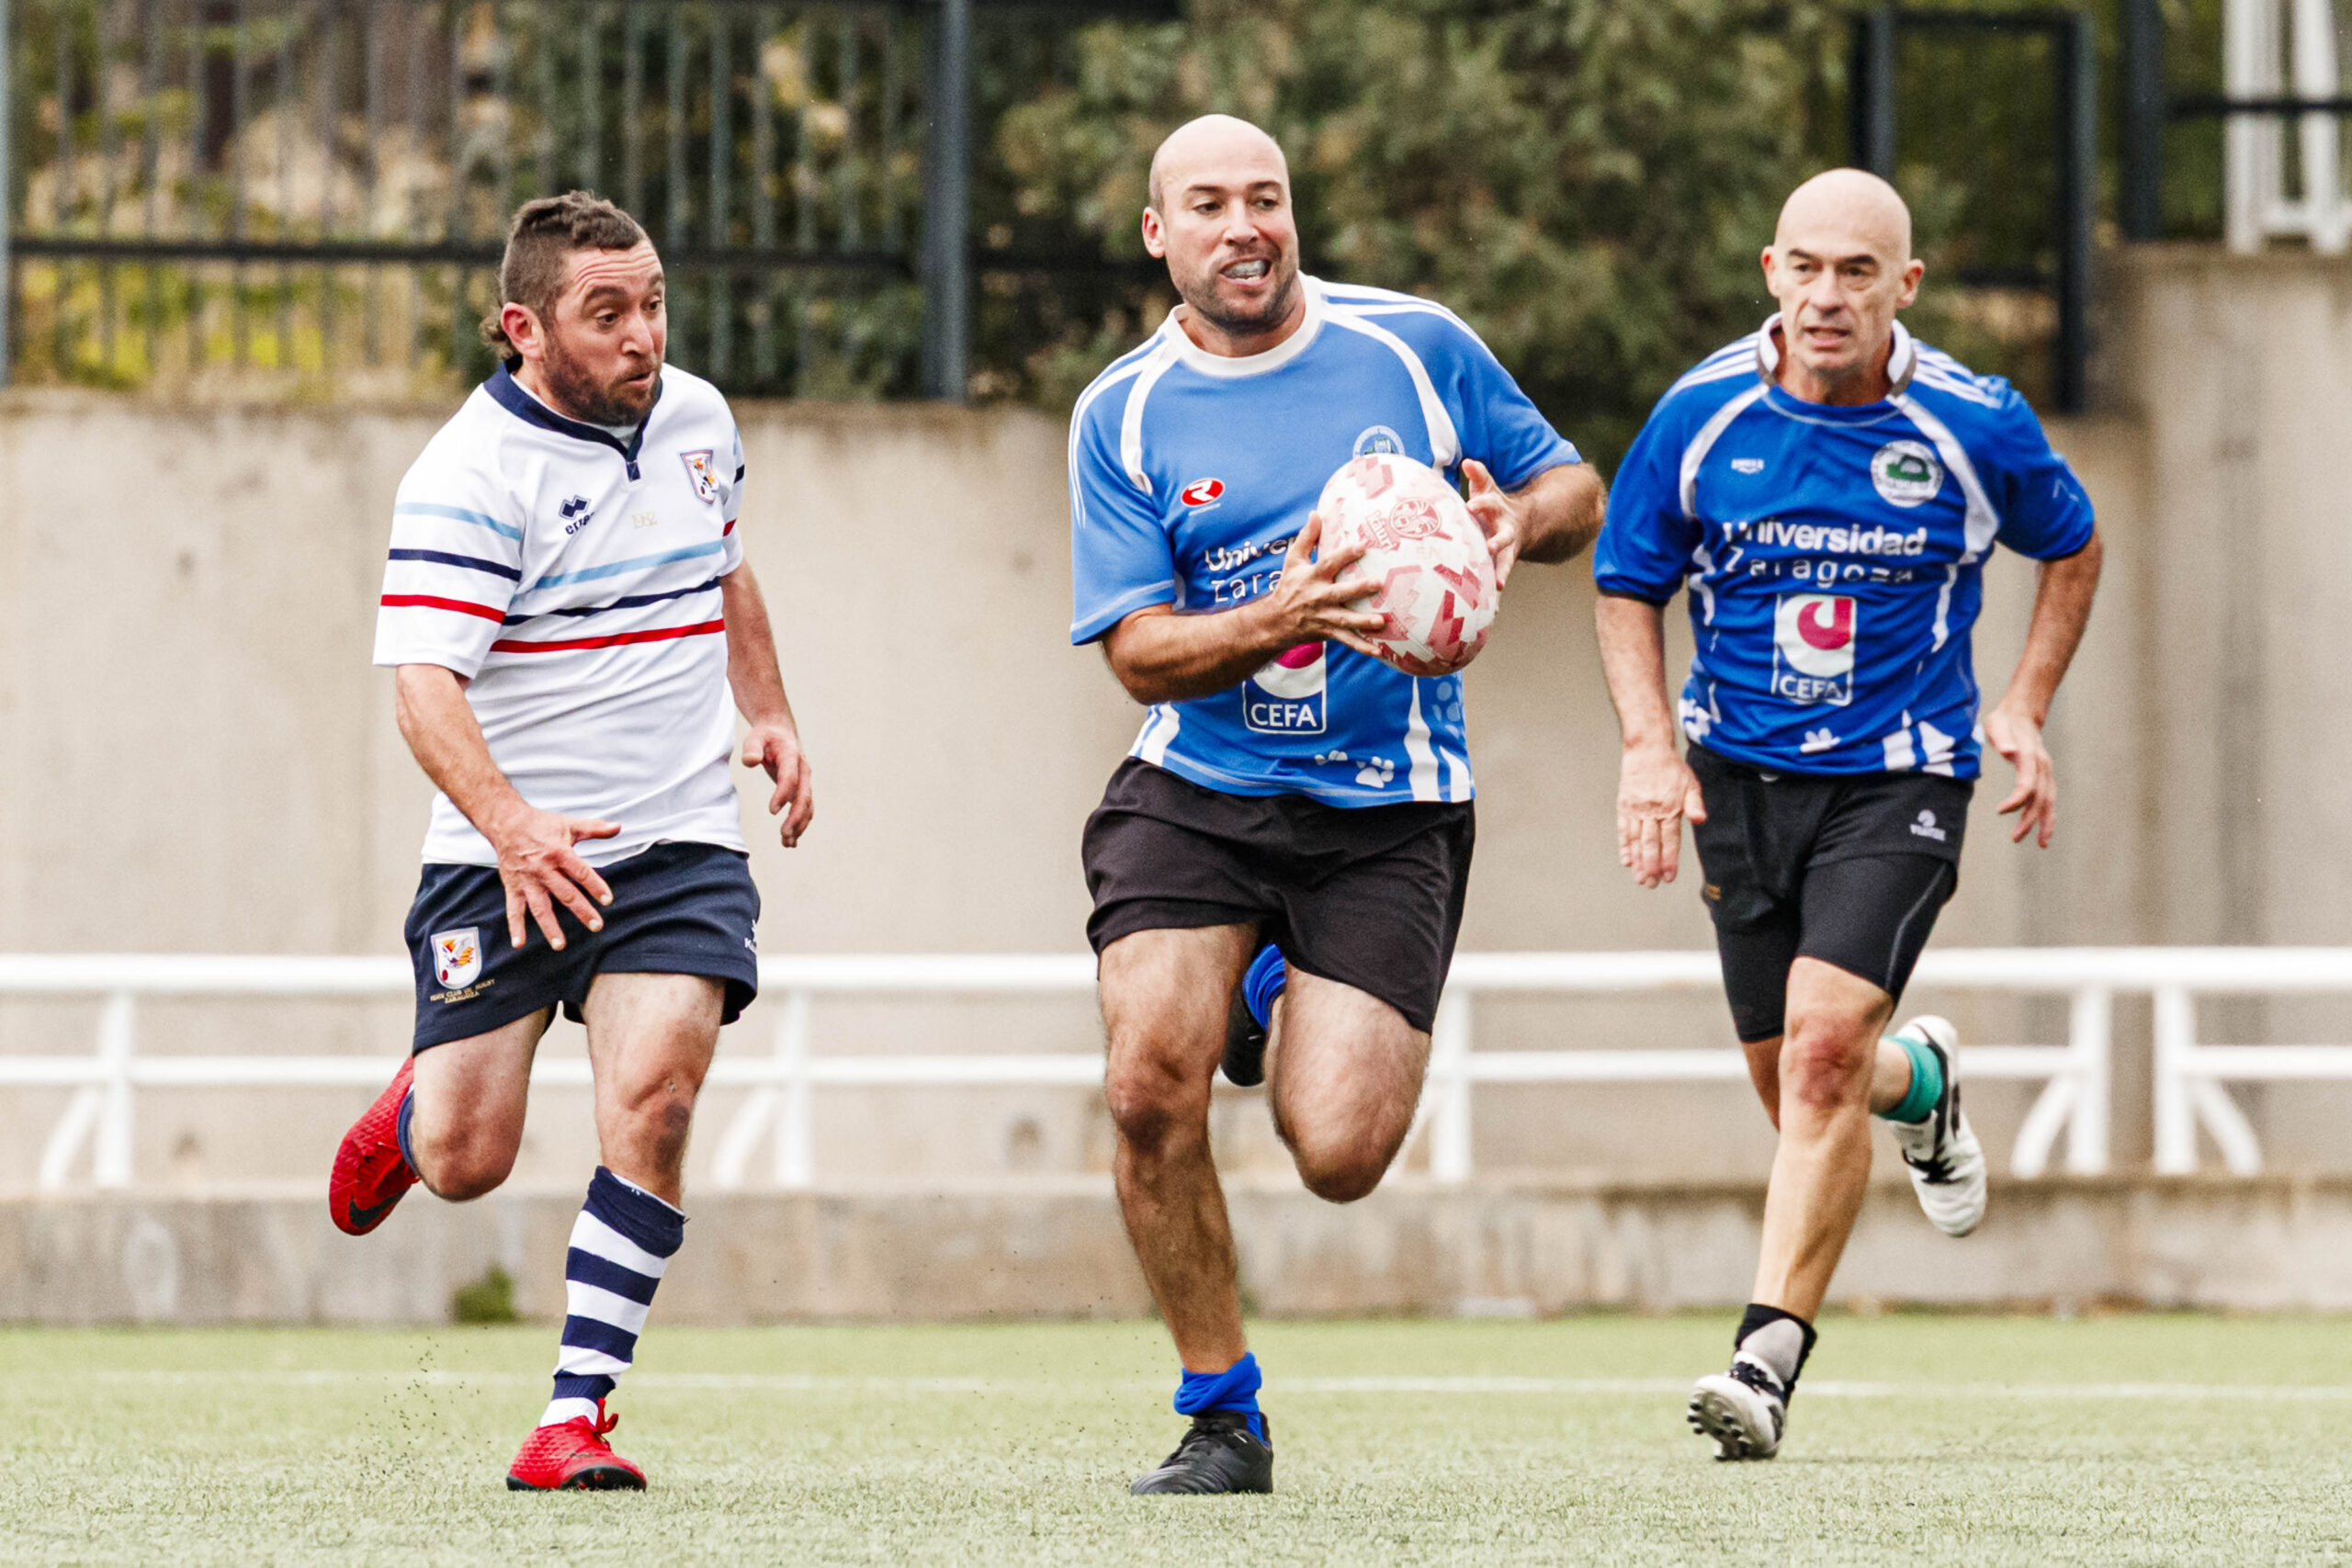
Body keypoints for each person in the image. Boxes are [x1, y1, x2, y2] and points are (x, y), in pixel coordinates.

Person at [1069, 115, 1606, 1495]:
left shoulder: (1413, 348)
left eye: (1266, 198)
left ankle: (1264, 987)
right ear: (1159, 235)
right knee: (1146, 1087)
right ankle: (1222, 1415)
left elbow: (1575, 486)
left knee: (1341, 1154)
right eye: (1208, 205)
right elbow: (1136, 651)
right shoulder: (1122, 412)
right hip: (1200, 788)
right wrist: (1282, 615)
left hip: (1390, 805)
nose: (1244, 227)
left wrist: (1518, 522)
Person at [1591, 169, 2102, 1461]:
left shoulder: (1973, 422)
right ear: (1772, 271)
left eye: (1858, 273)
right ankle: (1918, 1084)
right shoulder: (1702, 415)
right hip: (1737, 780)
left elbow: (2073, 542)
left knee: (1820, 1054)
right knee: (1798, 1084)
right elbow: (1625, 580)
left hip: (1902, 777)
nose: (1827, 296)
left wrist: (2025, 703)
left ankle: (1763, 1364)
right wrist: (1648, 747)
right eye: (1806, 268)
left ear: (1905, 286)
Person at [326, 192, 815, 1491]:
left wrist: (768, 712)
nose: (643, 336)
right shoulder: (468, 476)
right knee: (465, 1160)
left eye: (653, 304)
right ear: (524, 328)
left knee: (656, 1105)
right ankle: (417, 1108)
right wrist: (514, 827)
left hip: (678, 842)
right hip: (503, 859)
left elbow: (725, 567)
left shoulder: (699, 420)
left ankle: (573, 1418)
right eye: (607, 314)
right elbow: (423, 689)